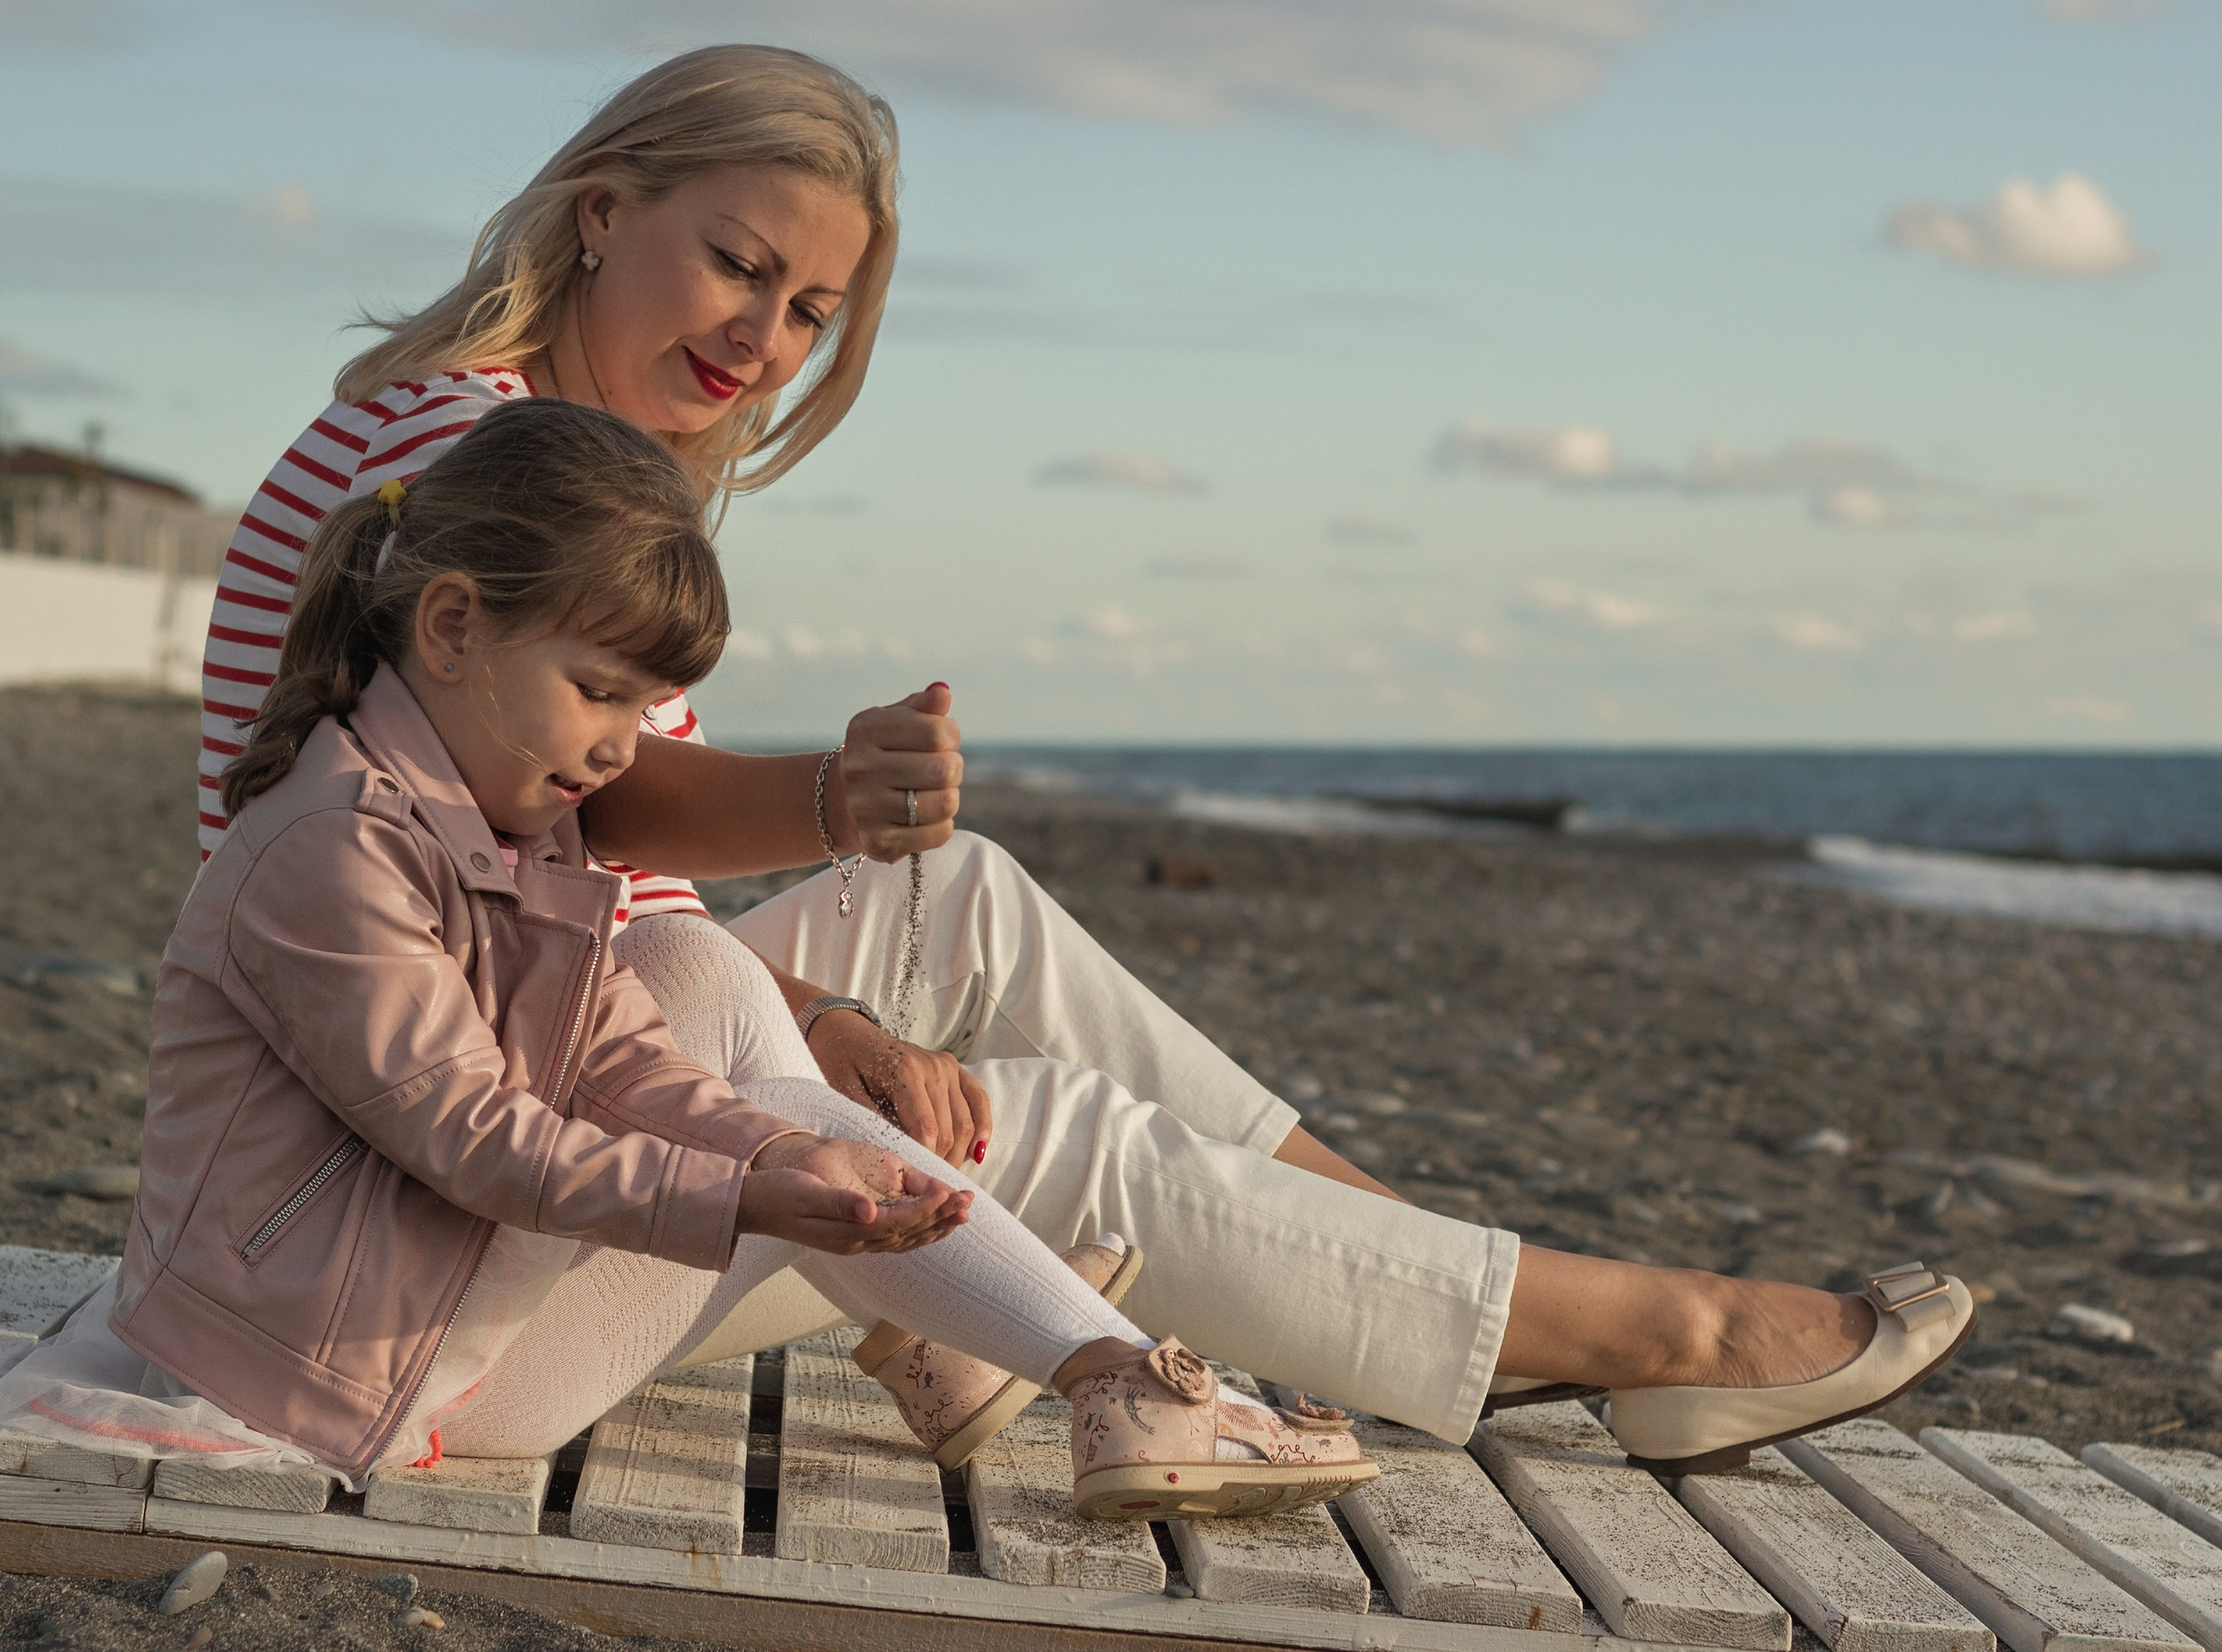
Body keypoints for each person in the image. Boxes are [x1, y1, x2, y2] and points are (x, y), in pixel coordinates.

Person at [189, 43, 1974, 1473]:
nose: (763, 337)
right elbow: (532, 859)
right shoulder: (472, 461)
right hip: (422, 1198)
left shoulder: (493, 435)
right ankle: (1644, 1336)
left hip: (486, 1067)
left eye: (810, 308)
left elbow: (559, 869)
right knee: (1042, 1132)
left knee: (954, 900)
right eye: (739, 262)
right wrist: (822, 866)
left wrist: (822, 971)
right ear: (598, 212)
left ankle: (1418, 1265)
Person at [116, 398, 1383, 1522]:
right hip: (319, 1372)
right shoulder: (334, 851)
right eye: (600, 691)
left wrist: (788, 1159)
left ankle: (1018, 1339)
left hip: (386, 1300)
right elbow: (477, 1139)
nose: (622, 749)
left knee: (693, 965)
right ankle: (1100, 1369)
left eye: (639, 708)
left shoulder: (499, 813)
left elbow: (614, 1051)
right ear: (451, 626)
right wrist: (750, 1191)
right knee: (768, 1108)